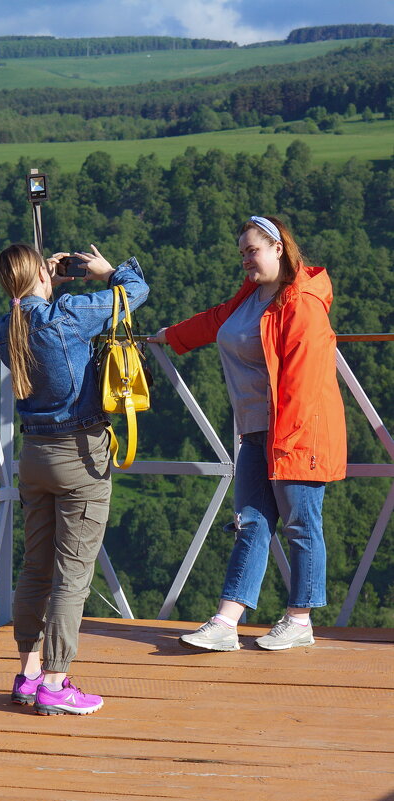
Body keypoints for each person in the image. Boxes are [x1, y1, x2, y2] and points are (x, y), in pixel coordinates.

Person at [148, 215, 346, 651]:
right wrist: (170, 336)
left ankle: (300, 619)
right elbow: (219, 320)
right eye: (241, 254)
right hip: (258, 432)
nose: (245, 261)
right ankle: (226, 622)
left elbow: (304, 383)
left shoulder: (303, 304)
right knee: (251, 523)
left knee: (301, 525)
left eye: (252, 251)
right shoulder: (253, 297)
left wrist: (286, 442)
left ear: (279, 248)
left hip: (298, 435)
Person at [0, 243, 149, 713]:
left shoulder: (1, 330)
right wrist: (106, 270)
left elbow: (25, 317)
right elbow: (135, 291)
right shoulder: (71, 313)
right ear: (40, 271)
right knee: (72, 575)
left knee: (35, 567)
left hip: (33, 456)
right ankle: (57, 685)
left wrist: (43, 286)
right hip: (79, 453)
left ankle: (29, 674)